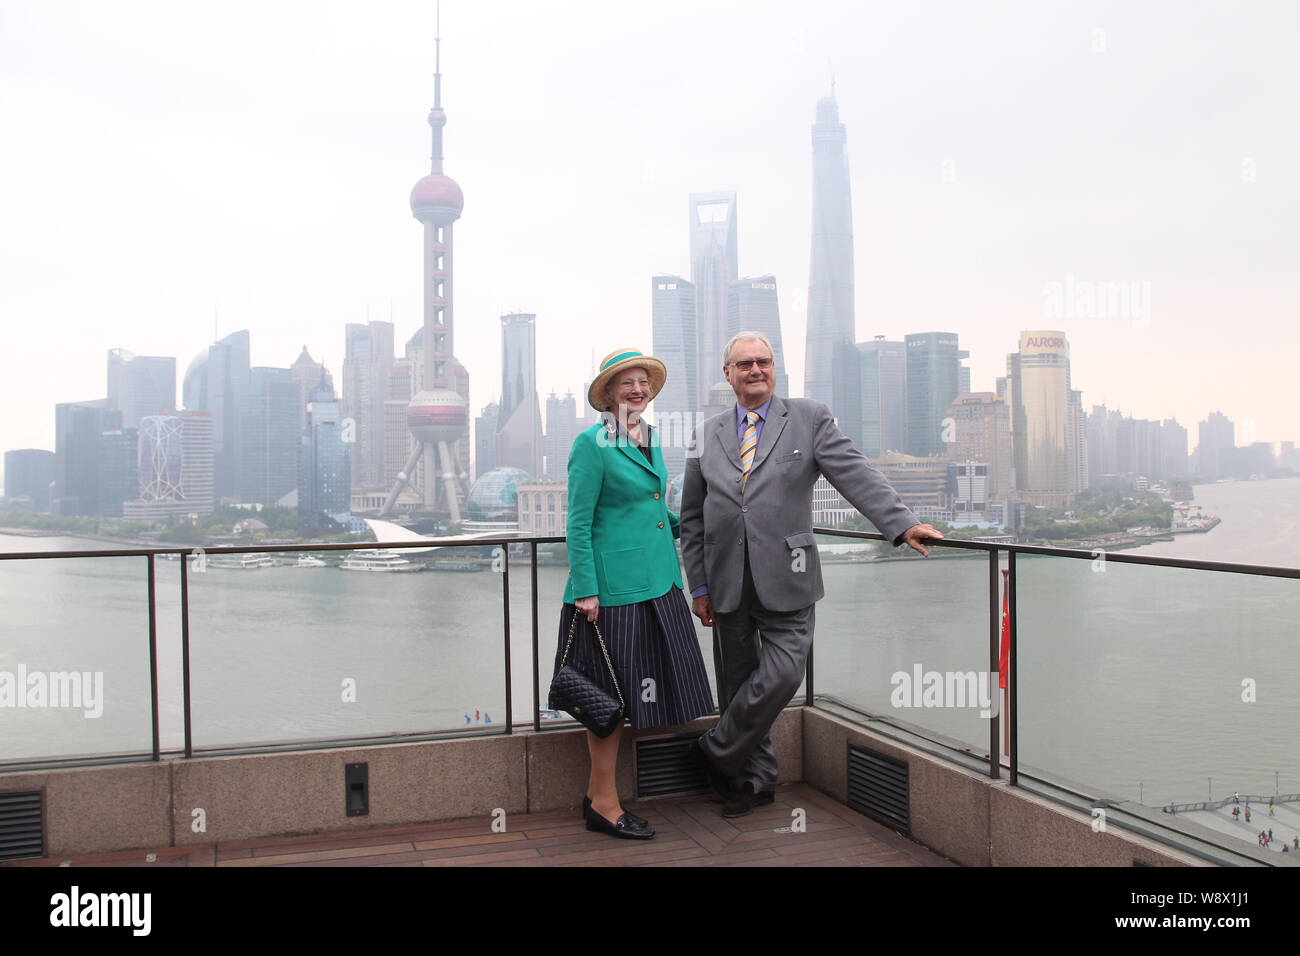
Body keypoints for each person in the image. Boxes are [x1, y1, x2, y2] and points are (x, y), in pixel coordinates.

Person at [681, 331, 943, 817]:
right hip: (725, 583)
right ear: (728, 374)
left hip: (790, 576)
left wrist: (901, 523)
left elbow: (855, 472)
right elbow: (693, 517)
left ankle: (715, 748)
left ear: (775, 368)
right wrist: (698, 585)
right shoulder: (706, 434)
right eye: (744, 364)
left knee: (782, 674)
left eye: (763, 362)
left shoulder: (808, 418)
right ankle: (754, 782)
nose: (755, 370)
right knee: (737, 684)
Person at [554, 347, 715, 840]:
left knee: (631, 698)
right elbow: (578, 524)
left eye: (644, 382)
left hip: (659, 583)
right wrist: (586, 590)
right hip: (611, 595)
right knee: (610, 703)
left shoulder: (651, 438)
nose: (637, 390)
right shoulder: (591, 444)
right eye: (627, 383)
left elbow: (648, 509)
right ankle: (604, 803)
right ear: (608, 392)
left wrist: (691, 525)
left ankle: (597, 798)